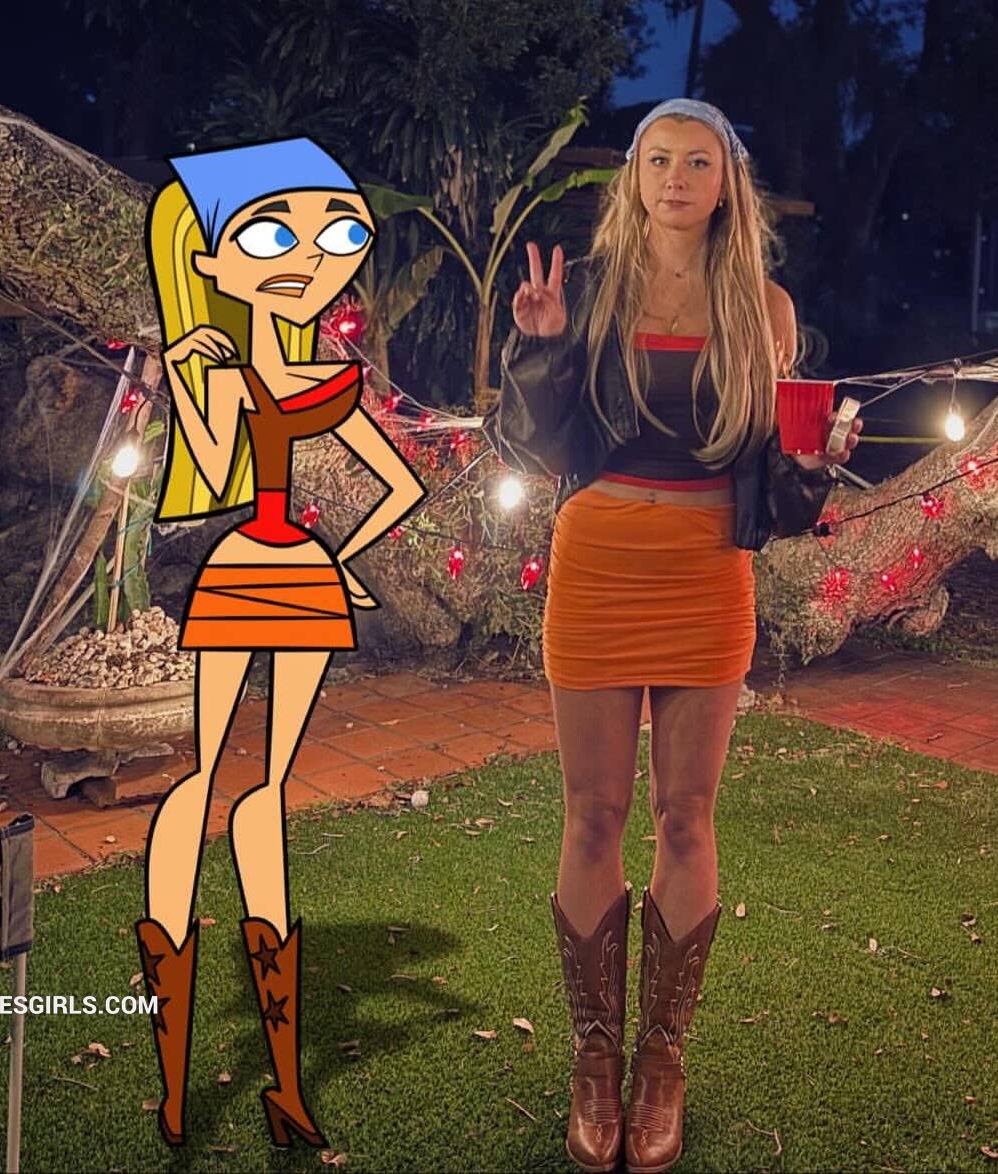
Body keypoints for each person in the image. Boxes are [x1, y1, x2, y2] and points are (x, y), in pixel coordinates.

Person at [486, 98, 861, 1174]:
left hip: (705, 575)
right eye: (658, 160)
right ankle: (594, 1058)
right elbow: (535, 444)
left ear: (725, 182)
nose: (675, 178)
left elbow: (777, 498)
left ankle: (661, 1060)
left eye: (697, 161)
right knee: (592, 814)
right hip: (599, 563)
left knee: (685, 819)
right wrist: (537, 347)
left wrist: (810, 465)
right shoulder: (588, 293)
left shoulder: (764, 307)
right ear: (635, 178)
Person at [139, 137, 425, 1150]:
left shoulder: (326, 378)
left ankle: (283, 1084)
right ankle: (176, 1080)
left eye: (336, 235)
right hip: (252, 569)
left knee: (264, 792)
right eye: (273, 236)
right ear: (211, 262)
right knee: (205, 776)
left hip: (300, 578)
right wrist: (190, 378)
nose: (312, 256)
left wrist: (339, 558)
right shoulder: (218, 366)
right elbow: (214, 462)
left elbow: (399, 483)